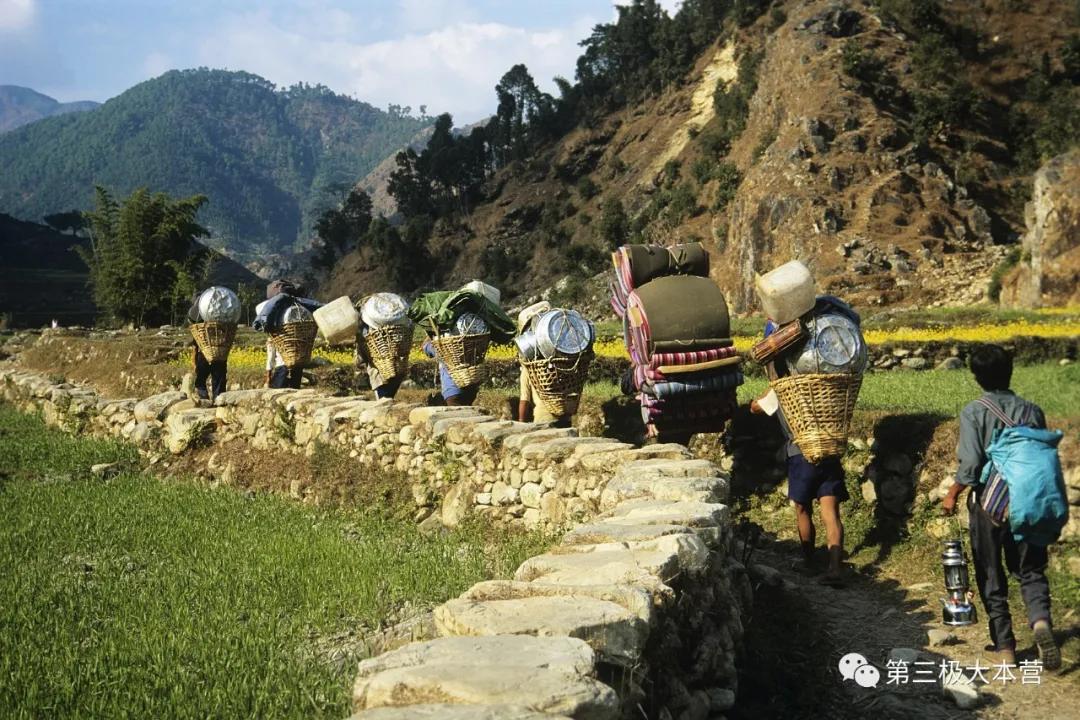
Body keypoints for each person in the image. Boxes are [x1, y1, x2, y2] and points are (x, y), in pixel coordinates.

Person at [942, 345, 1060, 669]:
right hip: (1031, 500)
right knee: (1030, 570)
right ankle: (1039, 621)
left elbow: (970, 465)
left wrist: (952, 494)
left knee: (990, 571)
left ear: (977, 377)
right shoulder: (1032, 410)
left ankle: (1005, 646)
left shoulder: (975, 411)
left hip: (991, 503)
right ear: (1010, 371)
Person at [750, 313, 850, 587]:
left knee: (802, 510)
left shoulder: (783, 391)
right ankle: (834, 567)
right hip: (828, 451)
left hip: (800, 454)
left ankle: (809, 561)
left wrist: (760, 396)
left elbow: (756, 408)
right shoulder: (823, 385)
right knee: (831, 512)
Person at [515, 301, 571, 427]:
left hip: (543, 421)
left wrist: (520, 425)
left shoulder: (530, 366)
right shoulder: (565, 360)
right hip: (566, 418)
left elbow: (524, 400)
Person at [187, 291, 227, 401]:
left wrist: (194, 359)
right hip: (219, 352)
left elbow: (196, 343)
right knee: (219, 379)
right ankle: (219, 401)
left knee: (200, 380)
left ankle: (204, 399)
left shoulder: (197, 322)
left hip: (203, 353)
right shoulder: (219, 317)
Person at [422, 339, 478, 406]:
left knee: (456, 414)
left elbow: (426, 347)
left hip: (452, 391)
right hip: (471, 388)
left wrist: (430, 338)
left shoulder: (444, 347)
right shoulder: (467, 344)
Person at [355, 327, 403, 399]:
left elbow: (360, 360)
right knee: (390, 398)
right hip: (398, 372)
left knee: (383, 402)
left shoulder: (365, 336)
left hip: (379, 378)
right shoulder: (393, 331)